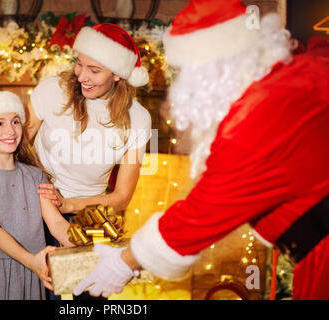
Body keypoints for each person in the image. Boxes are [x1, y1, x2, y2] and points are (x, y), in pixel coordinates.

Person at [73, 0, 329, 300]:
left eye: (186, 72)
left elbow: (198, 216)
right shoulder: (299, 73)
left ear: (209, 71)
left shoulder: (257, 117)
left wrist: (121, 264)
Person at [0, 23, 152, 299]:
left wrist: (70, 204)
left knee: (86, 297)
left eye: (94, 70)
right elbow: (11, 143)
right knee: (36, 289)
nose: (82, 76)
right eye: (80, 64)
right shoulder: (53, 90)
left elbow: (122, 196)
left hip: (90, 216)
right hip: (36, 206)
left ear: (118, 74)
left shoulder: (139, 119)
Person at [0, 91, 73, 300]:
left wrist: (93, 250)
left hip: (31, 272)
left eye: (16, 121)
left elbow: (57, 224)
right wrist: (32, 261)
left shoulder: (35, 175)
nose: (11, 130)